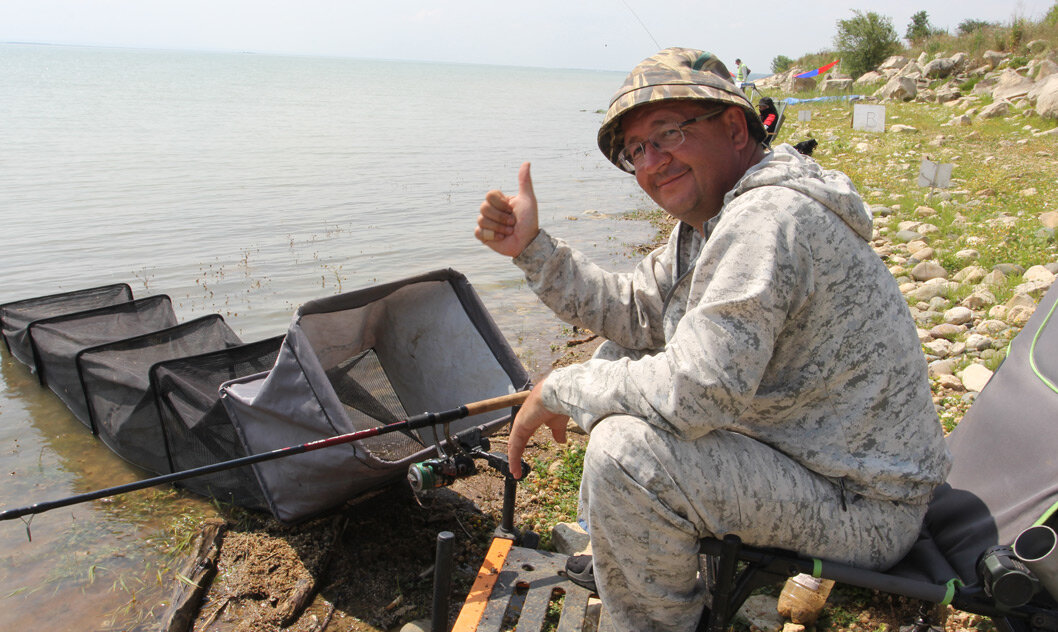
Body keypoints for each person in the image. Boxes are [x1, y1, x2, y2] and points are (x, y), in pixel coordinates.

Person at [475, 47, 951, 632]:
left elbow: (696, 393)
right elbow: (634, 312)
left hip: (864, 503)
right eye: (637, 150)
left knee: (626, 454)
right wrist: (532, 250)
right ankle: (631, 558)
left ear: (732, 127)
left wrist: (559, 387)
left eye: (668, 133)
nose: (652, 161)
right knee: (619, 357)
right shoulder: (707, 224)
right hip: (807, 455)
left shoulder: (767, 219)